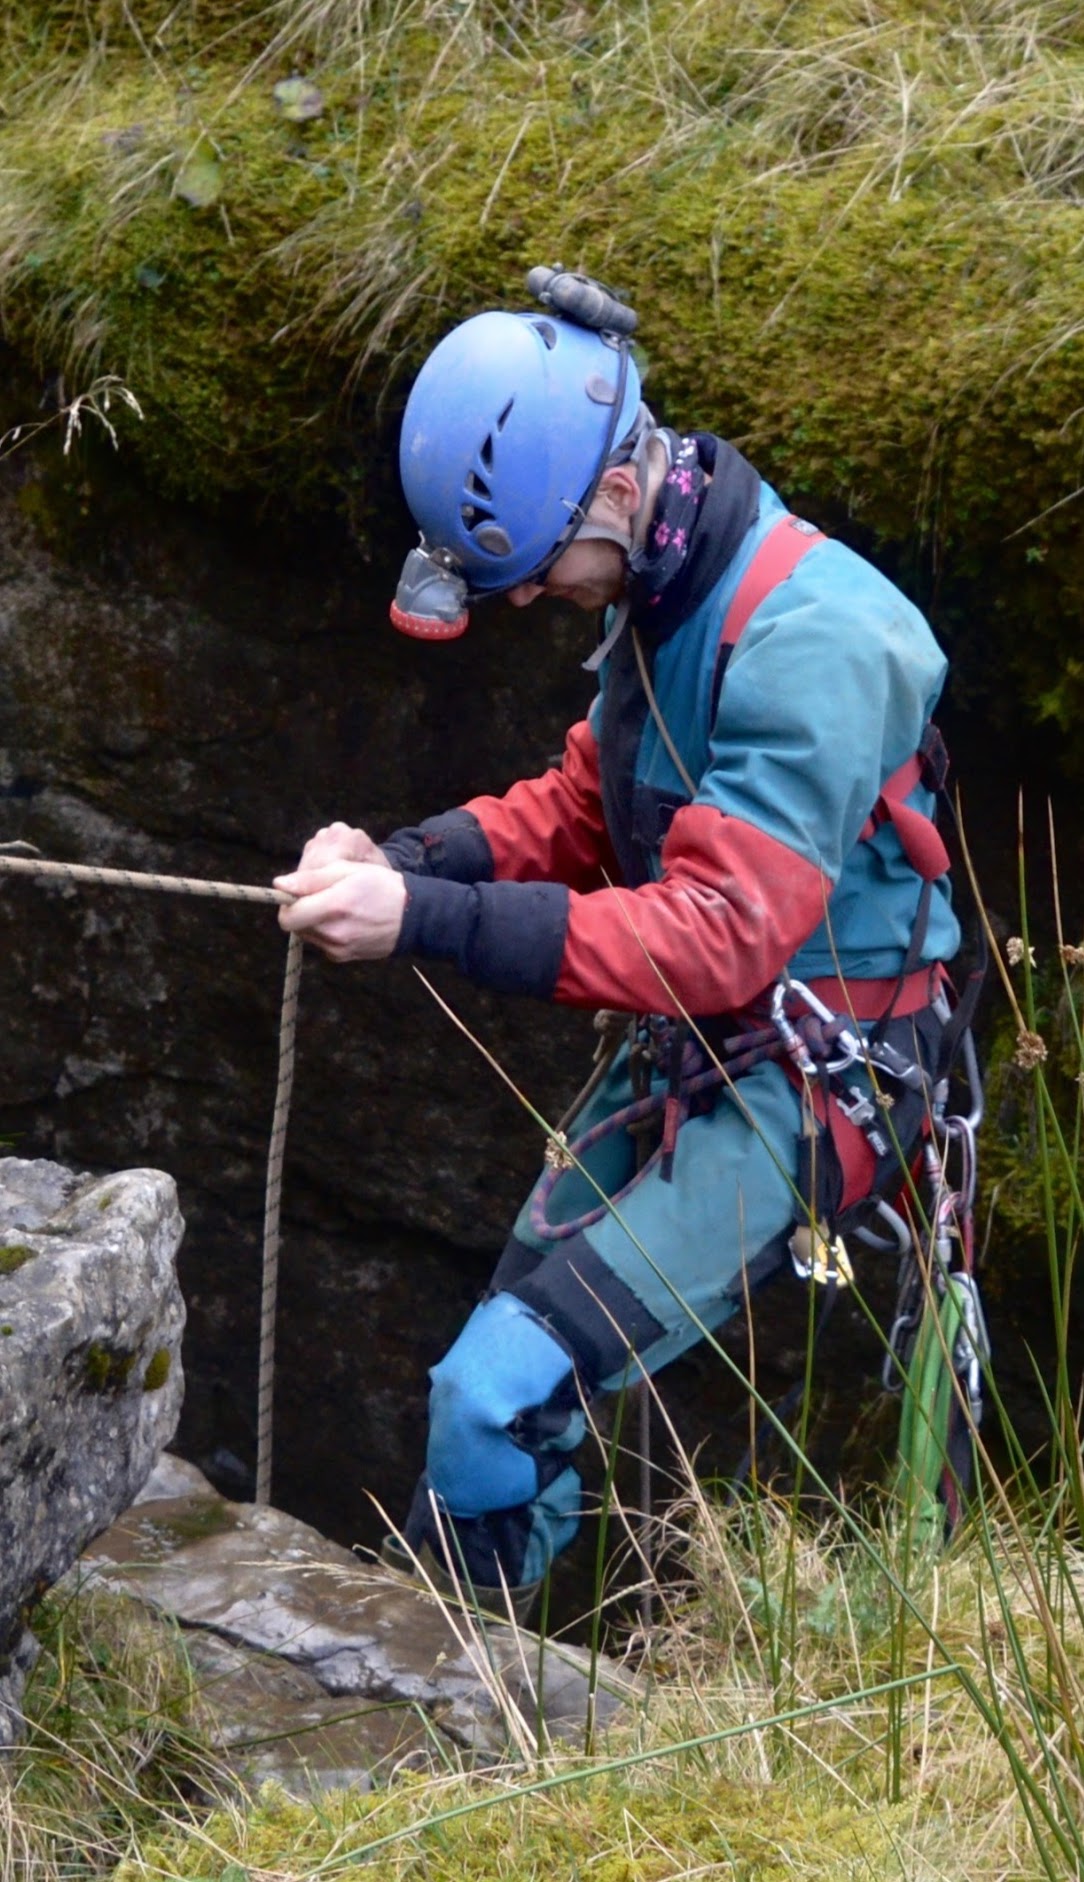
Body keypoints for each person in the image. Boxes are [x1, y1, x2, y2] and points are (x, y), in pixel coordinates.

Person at [274, 267, 961, 1608]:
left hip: (818, 1076)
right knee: (485, 1393)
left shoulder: (814, 641)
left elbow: (720, 936)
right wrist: (403, 858)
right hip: (704, 1044)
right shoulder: (664, 593)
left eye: (534, 571)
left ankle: (463, 1671)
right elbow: (590, 804)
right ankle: (458, 1646)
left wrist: (422, 920)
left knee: (497, 1387)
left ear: (612, 492)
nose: (527, 601)